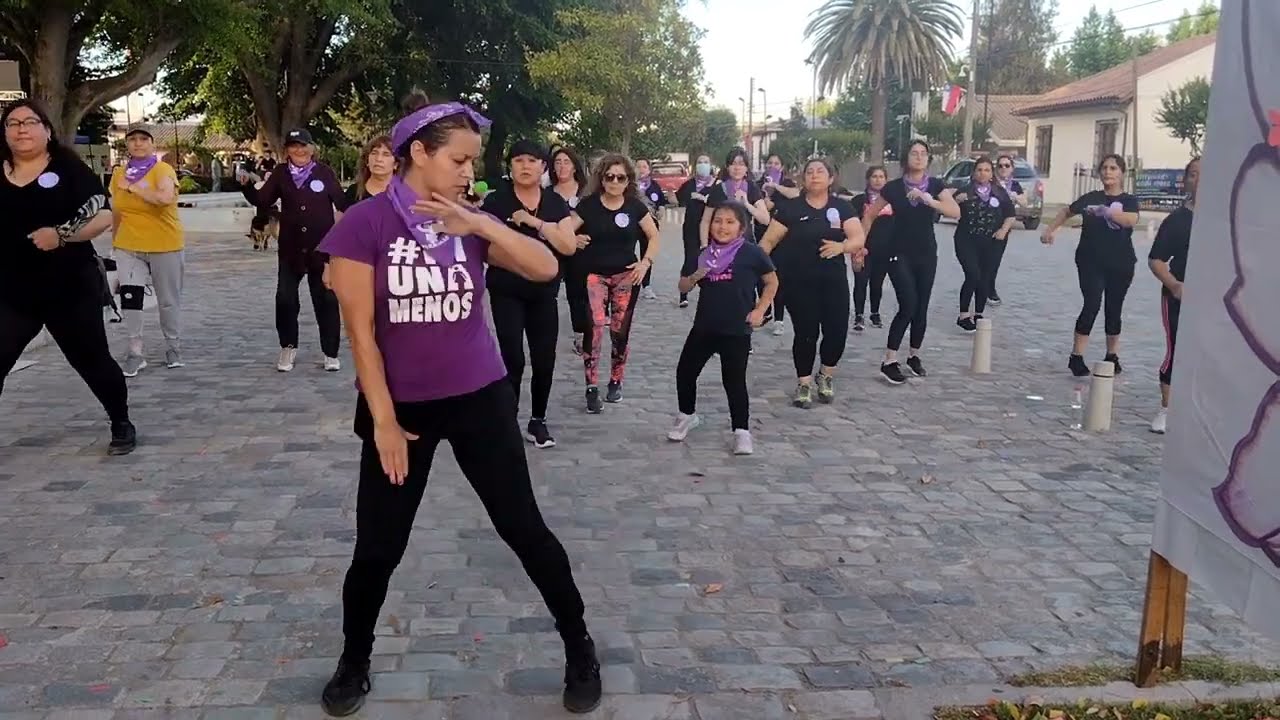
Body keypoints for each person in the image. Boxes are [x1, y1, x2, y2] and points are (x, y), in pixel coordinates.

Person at [317, 93, 601, 717]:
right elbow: (361, 335)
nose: (471, 172)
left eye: (474, 161)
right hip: (403, 411)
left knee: (523, 528)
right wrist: (384, 421)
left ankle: (579, 644)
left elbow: (544, 268)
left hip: (479, 398)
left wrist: (480, 223)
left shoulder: (469, 217)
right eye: (460, 159)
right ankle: (354, 659)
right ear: (418, 153)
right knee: (378, 549)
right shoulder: (363, 224)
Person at [0, 99, 136, 455]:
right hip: (13, 290)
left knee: (91, 359)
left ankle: (121, 421)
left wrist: (60, 235)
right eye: (13, 123)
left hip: (69, 285)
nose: (21, 129)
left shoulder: (68, 169)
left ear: (46, 130)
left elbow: (104, 216)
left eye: (30, 122)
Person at [480, 139, 579, 448]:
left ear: (542, 167)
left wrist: (536, 223)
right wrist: (528, 265)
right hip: (506, 290)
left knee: (544, 358)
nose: (525, 166)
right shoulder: (498, 201)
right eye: (519, 160)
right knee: (512, 357)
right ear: (511, 167)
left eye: (532, 161)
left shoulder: (553, 203)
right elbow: (485, 248)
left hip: (544, 294)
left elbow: (568, 246)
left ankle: (538, 420)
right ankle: (507, 419)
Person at [669, 201, 777, 454]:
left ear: (741, 228)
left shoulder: (752, 253)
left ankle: (741, 431)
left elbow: (771, 282)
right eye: (718, 220)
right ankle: (687, 415)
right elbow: (683, 287)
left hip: (736, 329)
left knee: (734, 381)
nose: (722, 226)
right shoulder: (703, 254)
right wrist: (696, 275)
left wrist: (760, 309)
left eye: (730, 222)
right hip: (705, 325)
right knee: (685, 372)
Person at [760, 158, 866, 407]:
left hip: (834, 282)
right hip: (799, 282)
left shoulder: (842, 208)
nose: (815, 175)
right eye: (810, 172)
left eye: (821, 171)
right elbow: (767, 243)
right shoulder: (791, 209)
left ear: (831, 178)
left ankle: (826, 375)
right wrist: (763, 269)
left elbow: (858, 238)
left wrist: (842, 246)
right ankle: (804, 382)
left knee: (836, 332)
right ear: (803, 179)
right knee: (806, 334)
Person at [243, 128, 348, 372]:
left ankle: (330, 352)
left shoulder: (324, 173)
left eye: (303, 145)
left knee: (326, 301)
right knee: (285, 300)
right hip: (290, 250)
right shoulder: (281, 173)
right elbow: (263, 200)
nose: (299, 150)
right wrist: (248, 187)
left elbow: (343, 203)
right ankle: (288, 346)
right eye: (293, 146)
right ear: (287, 149)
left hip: (321, 250)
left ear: (312, 148)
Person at [563, 153, 660, 412]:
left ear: (628, 180)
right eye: (610, 177)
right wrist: (573, 241)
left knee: (619, 331)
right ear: (602, 178)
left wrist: (645, 262)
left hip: (626, 276)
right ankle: (591, 386)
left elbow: (653, 236)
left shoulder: (634, 207)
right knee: (593, 326)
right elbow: (564, 231)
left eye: (621, 177)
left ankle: (615, 380)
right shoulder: (589, 206)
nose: (615, 182)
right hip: (594, 275)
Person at [864, 140, 960, 384]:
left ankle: (914, 355)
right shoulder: (893, 188)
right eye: (913, 153)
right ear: (905, 158)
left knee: (921, 307)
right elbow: (870, 214)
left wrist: (929, 200)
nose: (918, 157)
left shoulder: (936, 185)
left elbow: (955, 212)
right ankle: (889, 359)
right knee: (908, 303)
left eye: (923, 153)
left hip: (926, 253)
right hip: (898, 252)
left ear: (928, 158)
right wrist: (860, 244)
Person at [1041, 154, 1140, 377]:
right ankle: (1076, 356)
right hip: (1090, 260)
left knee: (1114, 308)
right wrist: (1050, 230)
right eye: (1104, 168)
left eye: (1113, 168)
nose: (1108, 172)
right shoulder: (1090, 197)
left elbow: (1131, 220)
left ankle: (1112, 355)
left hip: (1121, 262)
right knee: (1092, 303)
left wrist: (1109, 212)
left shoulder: (1129, 200)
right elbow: (1067, 211)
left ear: (1121, 173)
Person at [110, 124, 186, 376]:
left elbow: (163, 199)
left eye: (143, 139)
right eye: (132, 140)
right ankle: (135, 350)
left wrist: (134, 187)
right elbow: (117, 210)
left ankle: (173, 346)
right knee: (131, 298)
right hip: (128, 245)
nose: (138, 144)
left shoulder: (162, 170)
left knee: (167, 300)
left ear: (152, 144)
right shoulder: (118, 173)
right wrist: (114, 241)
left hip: (164, 245)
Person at [1147, 156, 1199, 434]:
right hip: (1180, 295)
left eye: (1206, 173)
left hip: (1217, 299)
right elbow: (1156, 259)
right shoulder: (1178, 220)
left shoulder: (1228, 217)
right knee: (1177, 349)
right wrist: (1175, 284)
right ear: (1186, 181)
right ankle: (1167, 408)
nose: (1200, 180)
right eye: (1193, 174)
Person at [952, 157, 1016, 332]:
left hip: (992, 241)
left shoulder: (999, 192)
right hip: (967, 240)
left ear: (991, 173)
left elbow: (1011, 214)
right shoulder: (965, 191)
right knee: (973, 274)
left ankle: (978, 313)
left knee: (984, 277)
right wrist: (956, 201)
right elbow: (947, 210)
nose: (983, 173)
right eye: (979, 170)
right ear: (974, 172)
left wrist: (1003, 229)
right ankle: (964, 314)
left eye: (987, 170)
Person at [550, 146, 591, 354]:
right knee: (549, 293)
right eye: (558, 162)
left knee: (579, 294)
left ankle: (581, 335)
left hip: (582, 250)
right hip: (553, 250)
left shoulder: (586, 192)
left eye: (566, 161)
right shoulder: (547, 194)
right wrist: (568, 239)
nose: (562, 166)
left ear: (575, 166)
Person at [849, 166, 894, 333]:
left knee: (877, 283)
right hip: (863, 247)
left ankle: (875, 312)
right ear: (868, 179)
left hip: (884, 248)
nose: (878, 179)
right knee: (861, 281)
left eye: (881, 176)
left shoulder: (892, 201)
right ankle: (859, 315)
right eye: (874, 176)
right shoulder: (859, 201)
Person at [675, 153, 716, 309]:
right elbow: (678, 199)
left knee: (710, 261)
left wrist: (704, 199)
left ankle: (710, 293)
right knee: (691, 260)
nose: (703, 164)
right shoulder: (689, 184)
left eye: (706, 162)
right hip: (691, 228)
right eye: (700, 162)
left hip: (711, 229)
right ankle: (683, 294)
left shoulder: (716, 185)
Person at [988, 154, 1027, 305]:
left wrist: (1014, 196)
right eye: (1000, 165)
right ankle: (983, 287)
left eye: (1007, 166)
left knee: (995, 260)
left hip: (1004, 225)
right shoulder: (991, 182)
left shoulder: (1014, 185)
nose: (1003, 168)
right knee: (985, 260)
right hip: (987, 224)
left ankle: (990, 289)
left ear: (1012, 168)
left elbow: (1025, 202)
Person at [635, 158, 667, 300]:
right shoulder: (629, 186)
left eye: (644, 166)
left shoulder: (654, 186)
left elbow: (661, 203)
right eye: (638, 166)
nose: (641, 169)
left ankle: (646, 285)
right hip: (631, 223)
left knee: (646, 253)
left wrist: (661, 211)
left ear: (649, 169)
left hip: (650, 224)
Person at [344, 135, 395, 205]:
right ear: (367, 161)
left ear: (396, 164)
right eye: (374, 153)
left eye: (386, 154)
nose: (378, 159)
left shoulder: (404, 195)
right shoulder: (353, 193)